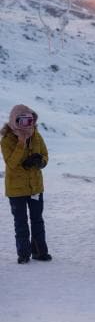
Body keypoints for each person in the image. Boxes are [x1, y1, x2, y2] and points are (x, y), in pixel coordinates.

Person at [2, 105, 51, 264]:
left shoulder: (36, 135)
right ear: (15, 121)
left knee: (37, 220)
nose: (27, 124)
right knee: (21, 222)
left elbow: (45, 154)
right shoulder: (7, 139)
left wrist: (40, 162)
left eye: (30, 120)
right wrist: (21, 143)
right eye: (22, 120)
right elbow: (11, 163)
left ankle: (39, 252)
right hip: (16, 190)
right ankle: (23, 254)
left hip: (35, 187)